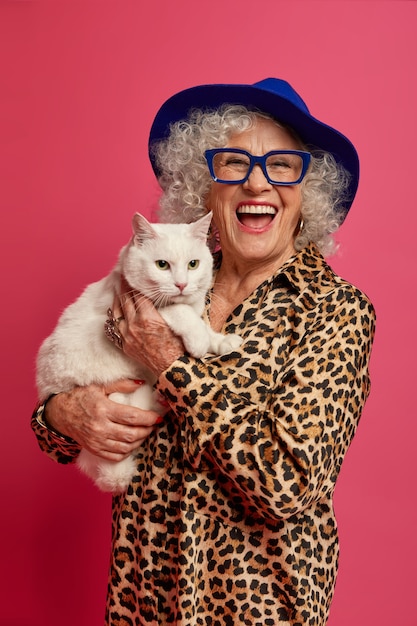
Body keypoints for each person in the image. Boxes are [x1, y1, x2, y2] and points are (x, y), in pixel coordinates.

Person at [32, 78, 376, 626]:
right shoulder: (165, 279)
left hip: (257, 609)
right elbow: (63, 408)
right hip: (142, 599)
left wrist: (171, 365)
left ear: (305, 193)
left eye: (282, 166)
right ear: (203, 189)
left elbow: (285, 485)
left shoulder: (334, 311)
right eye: (233, 163)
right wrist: (63, 413)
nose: (257, 182)